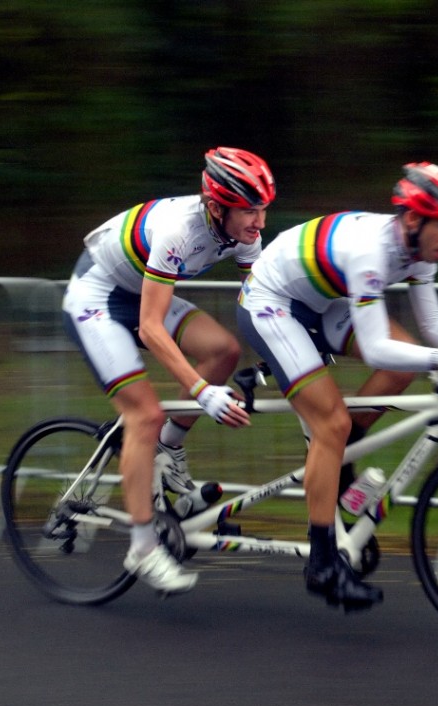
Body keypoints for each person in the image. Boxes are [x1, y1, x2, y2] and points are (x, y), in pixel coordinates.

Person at [236, 161, 438, 611]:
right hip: (272, 303)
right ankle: (323, 563)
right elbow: (377, 347)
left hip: (321, 300)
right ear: (415, 220)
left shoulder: (418, 252)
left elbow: (433, 324)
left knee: (400, 368)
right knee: (331, 421)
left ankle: (342, 460)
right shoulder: (371, 251)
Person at [62, 147, 275, 594]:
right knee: (144, 413)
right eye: (250, 211)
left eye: (263, 209)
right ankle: (141, 547)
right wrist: (201, 391)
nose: (259, 223)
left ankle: (167, 448)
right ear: (217, 207)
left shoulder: (245, 234)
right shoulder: (179, 231)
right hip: (97, 298)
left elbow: (263, 302)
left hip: (137, 293)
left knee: (223, 350)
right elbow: (151, 328)